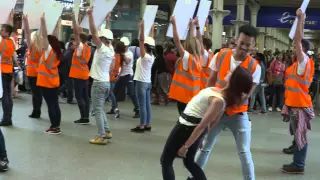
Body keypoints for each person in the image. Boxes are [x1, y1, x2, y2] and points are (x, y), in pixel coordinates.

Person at [188, 24, 261, 180]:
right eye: (241, 43)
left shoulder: (254, 67)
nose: (244, 47)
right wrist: (209, 105)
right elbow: (211, 81)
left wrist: (224, 103)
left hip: (238, 113)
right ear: (236, 40)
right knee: (205, 147)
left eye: (248, 45)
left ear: (253, 46)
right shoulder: (221, 55)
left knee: (244, 151)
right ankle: (193, 177)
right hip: (216, 112)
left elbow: (246, 95)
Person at [161, 66, 253, 180]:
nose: (228, 71)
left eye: (231, 72)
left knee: (166, 161)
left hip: (186, 127)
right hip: (189, 127)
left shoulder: (219, 100)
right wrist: (199, 138)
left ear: (234, 80)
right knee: (189, 162)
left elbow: (205, 124)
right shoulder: (218, 92)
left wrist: (186, 146)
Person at [281, 8, 315, 174]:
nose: (294, 49)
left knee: (301, 136)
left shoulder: (303, 62)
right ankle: (297, 162)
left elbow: (298, 39)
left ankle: (298, 165)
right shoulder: (297, 65)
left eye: (297, 47)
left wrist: (300, 19)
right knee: (298, 135)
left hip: (300, 105)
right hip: (295, 104)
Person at [87, 8, 115, 145]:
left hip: (98, 83)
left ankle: (101, 136)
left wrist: (91, 15)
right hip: (106, 83)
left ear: (103, 39)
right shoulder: (111, 49)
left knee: (96, 109)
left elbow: (93, 32)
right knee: (100, 108)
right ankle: (107, 131)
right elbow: (102, 34)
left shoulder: (102, 49)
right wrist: (107, 20)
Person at [168, 16, 202, 115]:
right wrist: (193, 26)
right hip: (193, 96)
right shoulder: (198, 59)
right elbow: (196, 40)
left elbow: (177, 41)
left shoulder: (188, 58)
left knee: (184, 121)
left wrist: (174, 25)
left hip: (183, 97)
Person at [37, 13, 62, 134]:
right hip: (54, 82)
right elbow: (54, 36)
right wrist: (57, 22)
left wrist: (43, 21)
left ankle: (54, 127)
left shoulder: (48, 52)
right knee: (55, 104)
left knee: (51, 105)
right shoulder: (56, 52)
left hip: (46, 83)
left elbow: (45, 35)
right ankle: (57, 126)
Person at [130, 19, 155, 133]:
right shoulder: (151, 56)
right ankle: (148, 123)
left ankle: (142, 125)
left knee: (142, 105)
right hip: (147, 82)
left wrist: (142, 27)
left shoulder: (144, 57)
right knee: (147, 104)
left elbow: (141, 40)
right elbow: (149, 40)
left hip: (141, 82)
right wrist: (151, 30)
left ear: (145, 46)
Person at [108, 37, 140, 118]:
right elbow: (120, 66)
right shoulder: (118, 54)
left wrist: (122, 54)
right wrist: (118, 76)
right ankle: (114, 108)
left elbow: (127, 61)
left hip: (128, 75)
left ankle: (138, 109)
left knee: (131, 93)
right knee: (114, 92)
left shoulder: (129, 53)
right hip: (121, 75)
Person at [69, 12, 91, 125]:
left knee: (79, 97)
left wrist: (73, 19)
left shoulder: (80, 47)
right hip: (84, 74)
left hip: (78, 75)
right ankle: (86, 116)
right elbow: (79, 33)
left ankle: (83, 117)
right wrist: (79, 19)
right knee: (85, 97)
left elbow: (76, 33)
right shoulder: (87, 47)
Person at [22, 15, 43, 119]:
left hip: (31, 73)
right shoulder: (42, 48)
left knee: (35, 95)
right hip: (40, 73)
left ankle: (36, 111)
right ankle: (37, 111)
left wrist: (26, 21)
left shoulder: (32, 47)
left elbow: (26, 33)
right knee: (38, 94)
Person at [0, 10, 15, 126]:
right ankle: (8, 117)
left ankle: (6, 119)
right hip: (9, 71)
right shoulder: (11, 42)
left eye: (2, 30)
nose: (1, 31)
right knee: (8, 95)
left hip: (3, 71)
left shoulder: (2, 42)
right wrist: (10, 17)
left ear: (7, 32)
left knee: (5, 95)